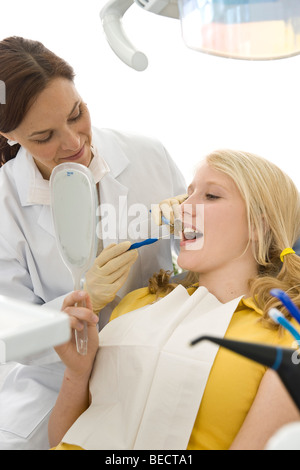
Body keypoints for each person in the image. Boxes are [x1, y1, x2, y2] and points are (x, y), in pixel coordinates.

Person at [0, 36, 186, 450]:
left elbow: (197, 265)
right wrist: (79, 303)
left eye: (76, 114)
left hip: (153, 355)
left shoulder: (147, 155)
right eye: (44, 136)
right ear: (9, 135)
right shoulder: (5, 204)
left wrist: (191, 227)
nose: (72, 143)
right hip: (52, 382)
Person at [49, 149, 300, 450]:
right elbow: (60, 441)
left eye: (211, 196)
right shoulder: (137, 303)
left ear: (260, 227)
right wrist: (77, 372)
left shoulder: (283, 338)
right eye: (188, 194)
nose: (182, 209)